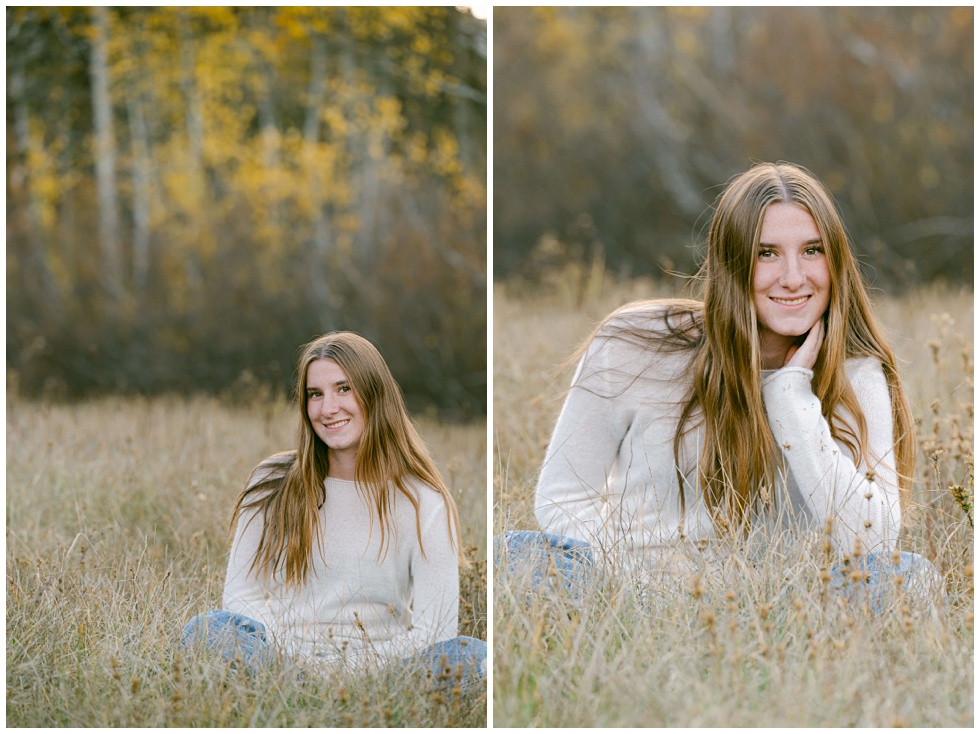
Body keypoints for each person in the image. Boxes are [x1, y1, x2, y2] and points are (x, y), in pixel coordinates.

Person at [496, 161, 943, 612]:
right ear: (732, 262)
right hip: (633, 596)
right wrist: (633, 589)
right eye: (766, 253)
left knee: (909, 576)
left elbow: (875, 540)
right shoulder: (634, 341)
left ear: (836, 261)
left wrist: (791, 400)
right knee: (512, 554)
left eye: (812, 250)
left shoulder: (857, 374)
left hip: (778, 610)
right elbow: (563, 496)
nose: (793, 276)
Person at [182, 331, 486, 688]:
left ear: (374, 394)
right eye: (315, 394)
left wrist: (352, 672)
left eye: (344, 389)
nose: (328, 409)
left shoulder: (423, 501)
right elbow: (240, 595)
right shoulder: (271, 481)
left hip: (381, 671)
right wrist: (299, 661)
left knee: (472, 657)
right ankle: (290, 700)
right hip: (282, 661)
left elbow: (436, 628)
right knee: (207, 630)